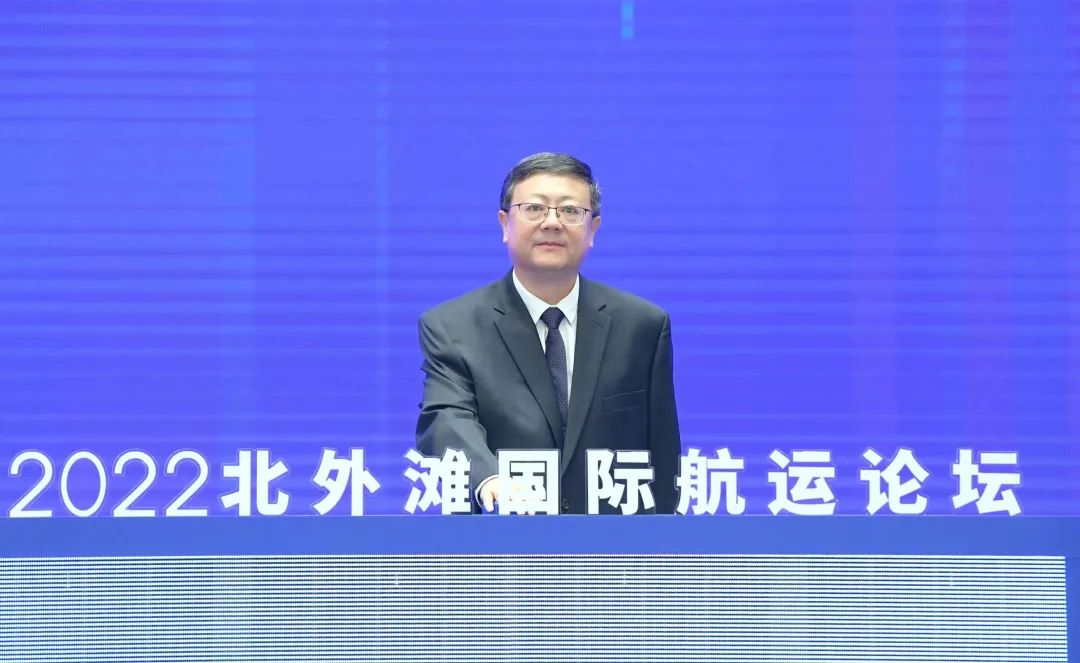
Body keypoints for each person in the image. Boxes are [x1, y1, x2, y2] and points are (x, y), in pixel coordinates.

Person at [415, 152, 680, 514]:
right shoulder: (452, 326)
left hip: (612, 543)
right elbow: (446, 417)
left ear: (593, 230)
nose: (552, 222)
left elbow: (662, 454)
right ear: (505, 224)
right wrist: (490, 479)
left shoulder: (642, 326)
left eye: (570, 210)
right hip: (505, 538)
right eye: (534, 208)